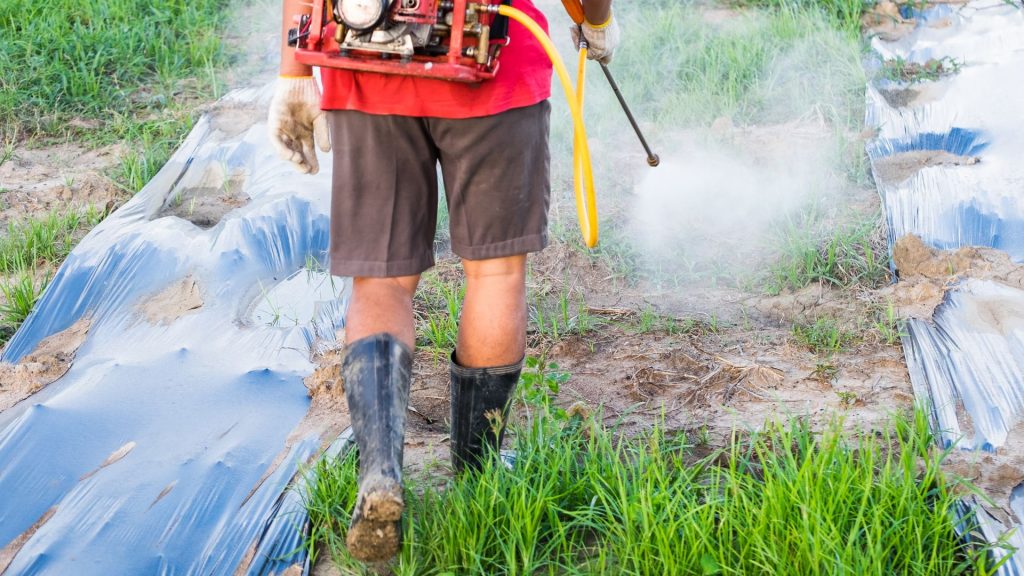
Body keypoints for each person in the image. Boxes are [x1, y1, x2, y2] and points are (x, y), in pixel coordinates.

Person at [269, 0, 619, 563]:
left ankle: (380, 471)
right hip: (491, 68)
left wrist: (293, 70)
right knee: (495, 274)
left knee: (379, 282)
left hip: (366, 61)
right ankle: (478, 472)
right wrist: (597, 21)